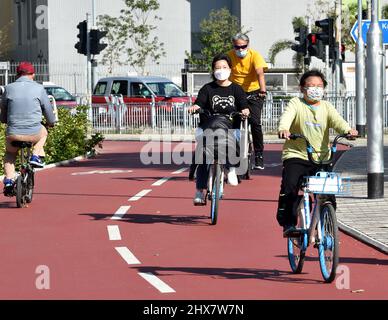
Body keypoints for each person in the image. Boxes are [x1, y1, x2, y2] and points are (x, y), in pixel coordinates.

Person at [276, 69, 358, 237]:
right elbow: (286, 117)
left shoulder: (327, 107)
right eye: (311, 86)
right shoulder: (296, 103)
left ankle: (328, 225)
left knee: (328, 194)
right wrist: (283, 128)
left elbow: (338, 121)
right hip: (296, 155)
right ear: (302, 88)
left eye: (319, 86)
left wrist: (348, 130)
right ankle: (289, 223)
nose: (315, 89)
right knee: (291, 185)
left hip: (322, 158)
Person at [188, 53, 250, 205]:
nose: (221, 70)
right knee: (202, 155)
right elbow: (199, 103)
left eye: (224, 67)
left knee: (235, 142)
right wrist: (196, 107)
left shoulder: (237, 89)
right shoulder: (207, 88)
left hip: (230, 129)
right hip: (207, 128)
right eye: (217, 67)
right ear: (212, 70)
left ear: (230, 69)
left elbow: (244, 105)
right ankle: (200, 191)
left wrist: (245, 110)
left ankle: (232, 169)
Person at [0, 61, 57, 196]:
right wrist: (51, 122)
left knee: (10, 154)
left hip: (13, 134)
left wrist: (5, 120)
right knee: (43, 132)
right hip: (34, 133)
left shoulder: (8, 88)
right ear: (33, 74)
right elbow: (48, 111)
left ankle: (8, 180)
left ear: (17, 74)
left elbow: (3, 113)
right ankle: (36, 156)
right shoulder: (39, 88)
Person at [227, 33, 268, 170]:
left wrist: (263, 91)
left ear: (247, 45)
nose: (240, 49)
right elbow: (224, 71)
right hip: (236, 92)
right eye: (237, 47)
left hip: (254, 92)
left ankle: (259, 156)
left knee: (255, 122)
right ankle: (234, 153)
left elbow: (260, 73)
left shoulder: (254, 55)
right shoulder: (229, 56)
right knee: (234, 122)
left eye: (243, 46)